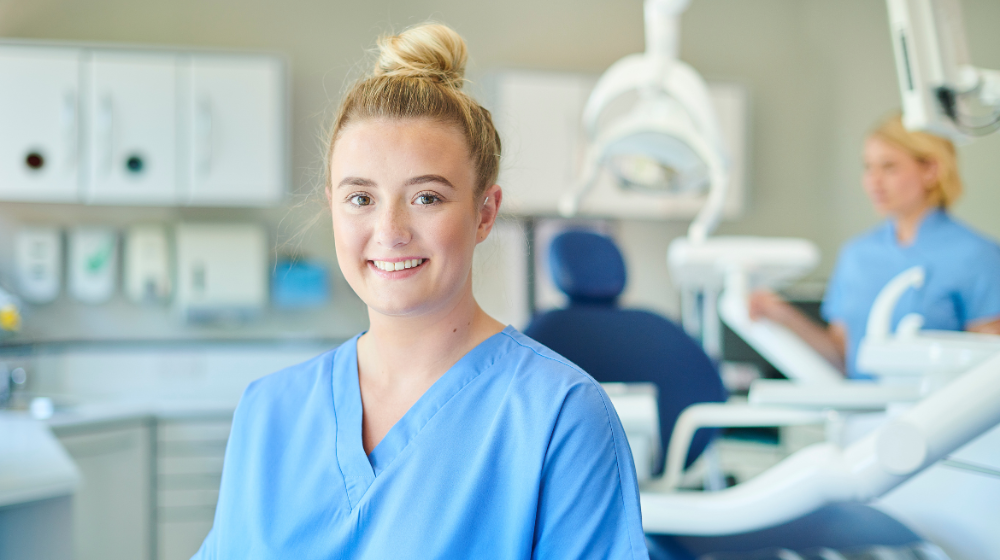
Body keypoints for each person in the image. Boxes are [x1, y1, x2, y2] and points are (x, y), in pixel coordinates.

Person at [192, 23, 648, 559]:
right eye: (360, 198)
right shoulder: (268, 412)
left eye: (427, 197)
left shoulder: (559, 418)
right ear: (332, 206)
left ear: (485, 213)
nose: (390, 230)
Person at [750, 115, 1000, 379]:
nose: (873, 181)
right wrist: (784, 316)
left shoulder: (977, 257)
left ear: (931, 170)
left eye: (889, 167)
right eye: (868, 167)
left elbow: (988, 372)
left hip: (939, 416)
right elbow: (843, 358)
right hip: (861, 415)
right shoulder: (857, 255)